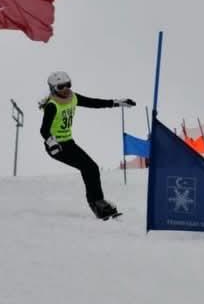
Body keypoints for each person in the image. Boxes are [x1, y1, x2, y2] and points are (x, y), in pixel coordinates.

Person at [39, 71, 136, 219]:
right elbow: (44, 130)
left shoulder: (73, 98)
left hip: (69, 143)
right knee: (88, 167)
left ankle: (99, 203)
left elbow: (94, 103)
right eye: (60, 87)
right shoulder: (52, 106)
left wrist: (117, 102)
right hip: (56, 146)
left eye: (68, 85)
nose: (65, 89)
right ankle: (97, 205)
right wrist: (52, 143)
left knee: (91, 167)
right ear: (53, 89)